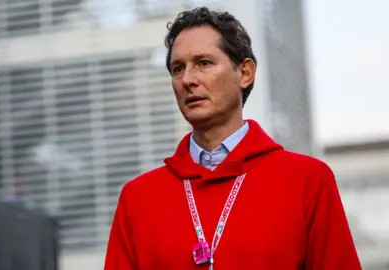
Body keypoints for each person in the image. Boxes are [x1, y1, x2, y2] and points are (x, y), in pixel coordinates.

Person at [104, 6, 362, 270]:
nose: (188, 79)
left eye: (203, 63)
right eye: (178, 68)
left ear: (245, 73)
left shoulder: (307, 181)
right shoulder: (138, 200)